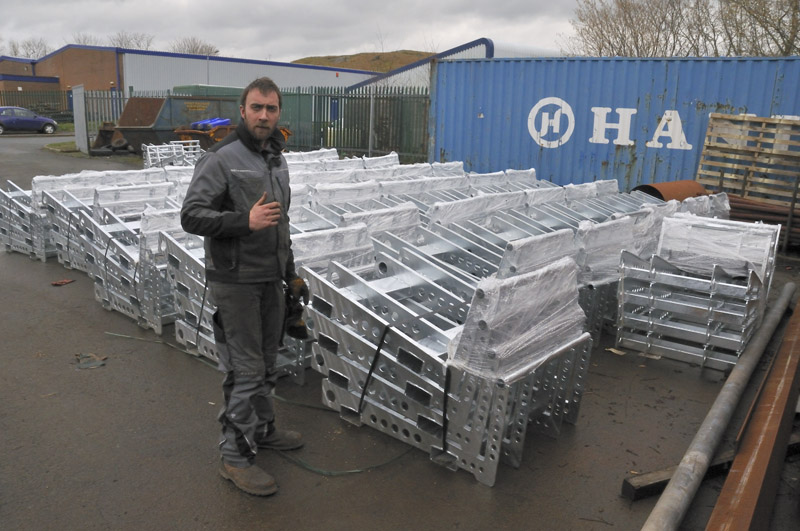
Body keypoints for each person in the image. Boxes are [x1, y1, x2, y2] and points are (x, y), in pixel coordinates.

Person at [181, 77, 309, 496]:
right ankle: (234, 457)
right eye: (257, 107)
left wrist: (290, 273)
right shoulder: (220, 158)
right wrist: (243, 222)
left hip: (270, 277)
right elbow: (192, 216)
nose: (264, 116)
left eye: (271, 109)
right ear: (243, 110)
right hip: (234, 280)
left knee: (269, 362)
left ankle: (263, 428)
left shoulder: (277, 159)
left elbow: (281, 224)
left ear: (278, 113)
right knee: (246, 369)